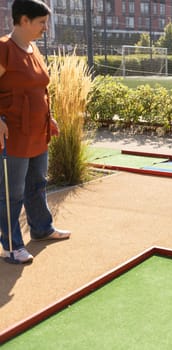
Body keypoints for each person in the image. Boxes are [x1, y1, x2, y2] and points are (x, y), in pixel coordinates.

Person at [0, 0, 71, 264]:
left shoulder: (33, 49)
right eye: (41, 22)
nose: (45, 27)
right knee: (12, 192)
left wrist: (49, 117)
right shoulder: (4, 48)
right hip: (13, 133)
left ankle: (41, 229)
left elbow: (40, 89)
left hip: (37, 131)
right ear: (24, 20)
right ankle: (11, 246)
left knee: (37, 184)